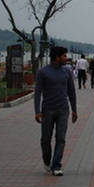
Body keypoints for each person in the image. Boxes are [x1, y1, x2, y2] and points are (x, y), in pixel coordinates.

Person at [34, 46, 78, 176]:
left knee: (61, 138)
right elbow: (37, 93)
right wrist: (37, 111)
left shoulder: (67, 72)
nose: (66, 58)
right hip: (47, 110)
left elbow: (71, 92)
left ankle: (56, 165)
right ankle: (47, 160)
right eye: (64, 56)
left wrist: (74, 110)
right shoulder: (43, 72)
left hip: (63, 110)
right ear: (57, 57)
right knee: (46, 139)